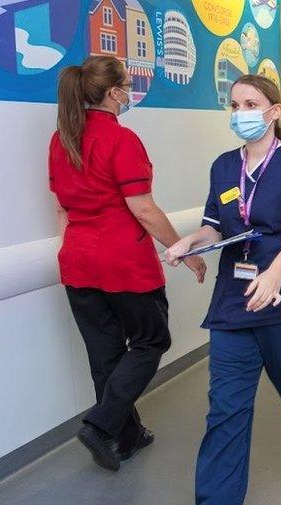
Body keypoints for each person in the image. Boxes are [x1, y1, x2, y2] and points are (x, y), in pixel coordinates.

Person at [165, 75, 281, 505]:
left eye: (251, 103)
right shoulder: (223, 166)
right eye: (235, 104)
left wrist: (275, 275)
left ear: (274, 111)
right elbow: (215, 228)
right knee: (225, 409)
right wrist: (188, 243)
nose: (241, 111)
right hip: (234, 306)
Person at [48, 56, 206, 471]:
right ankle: (101, 426)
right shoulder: (122, 139)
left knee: (105, 353)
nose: (129, 91)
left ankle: (126, 436)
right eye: (127, 85)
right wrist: (183, 250)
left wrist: (79, 249)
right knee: (152, 341)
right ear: (115, 92)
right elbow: (144, 210)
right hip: (124, 262)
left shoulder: (61, 139)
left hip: (78, 260)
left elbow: (62, 210)